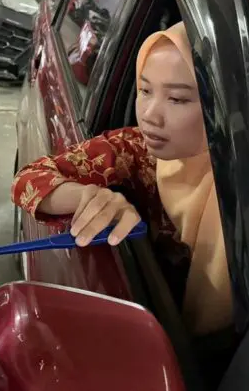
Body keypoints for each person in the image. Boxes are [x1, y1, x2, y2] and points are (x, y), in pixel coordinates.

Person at [12, 22, 232, 338]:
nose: (150, 115)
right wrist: (89, 197)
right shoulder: (135, 149)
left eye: (177, 99)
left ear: (219, 106)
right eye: (145, 91)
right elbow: (27, 180)